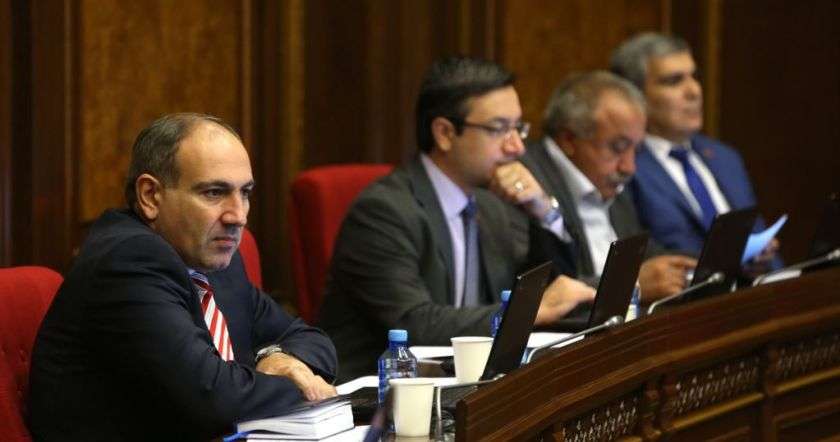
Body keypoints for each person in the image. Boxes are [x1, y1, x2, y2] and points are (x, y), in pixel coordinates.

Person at [28, 114, 338, 441]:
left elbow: (314, 341)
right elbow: (215, 398)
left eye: (245, 193)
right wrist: (292, 379)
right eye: (214, 193)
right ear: (150, 196)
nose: (238, 216)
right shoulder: (127, 262)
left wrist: (274, 357)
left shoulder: (214, 259)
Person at [318, 57, 595, 381]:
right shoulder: (383, 212)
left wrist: (543, 210)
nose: (517, 146)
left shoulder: (491, 205)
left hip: (465, 386)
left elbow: (546, 288)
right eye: (499, 129)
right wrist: (525, 312)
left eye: (518, 128)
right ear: (445, 133)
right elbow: (413, 324)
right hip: (381, 394)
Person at [610, 32, 781, 270]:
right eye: (674, 81)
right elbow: (647, 258)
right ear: (635, 94)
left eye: (695, 77)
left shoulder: (725, 157)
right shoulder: (625, 166)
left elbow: (761, 239)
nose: (694, 91)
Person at [523, 71, 697, 300]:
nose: (629, 167)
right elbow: (544, 295)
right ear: (568, 140)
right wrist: (630, 285)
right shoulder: (526, 185)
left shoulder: (609, 181)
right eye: (618, 147)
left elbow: (646, 255)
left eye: (636, 150)